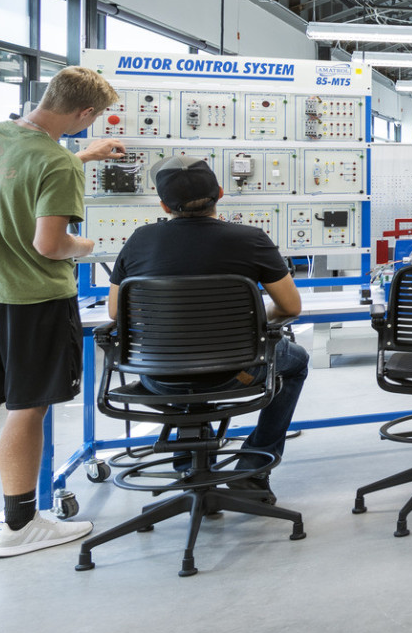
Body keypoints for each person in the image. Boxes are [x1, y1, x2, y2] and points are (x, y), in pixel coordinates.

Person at [0, 66, 125, 559]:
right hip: (32, 300)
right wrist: (87, 244)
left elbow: (18, 176)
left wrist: (78, 156)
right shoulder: (59, 166)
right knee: (28, 407)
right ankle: (19, 524)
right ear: (84, 113)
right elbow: (50, 244)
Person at [107, 156, 307, 504]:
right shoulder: (251, 239)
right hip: (235, 373)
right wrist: (254, 325)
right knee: (296, 362)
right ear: (220, 193)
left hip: (158, 377)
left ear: (163, 204)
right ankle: (255, 465)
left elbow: (115, 312)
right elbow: (290, 308)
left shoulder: (140, 240)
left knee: (181, 372)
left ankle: (189, 464)